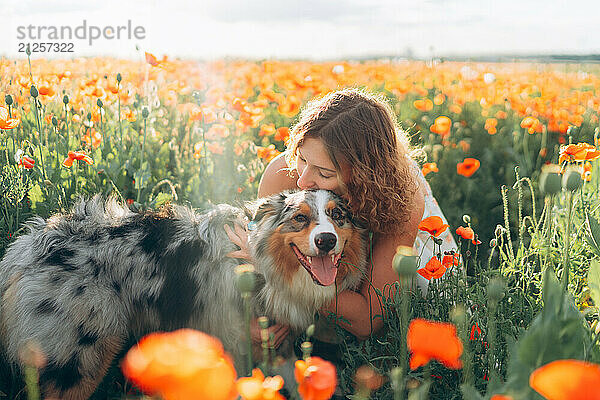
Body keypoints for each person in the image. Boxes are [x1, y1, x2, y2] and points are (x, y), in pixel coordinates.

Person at [225, 87, 456, 350]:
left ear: (362, 176)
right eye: (302, 159)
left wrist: (270, 267)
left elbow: (368, 320)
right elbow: (266, 272)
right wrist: (245, 324)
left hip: (405, 301)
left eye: (324, 173)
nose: (303, 181)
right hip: (321, 297)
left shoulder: (402, 198)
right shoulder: (283, 173)